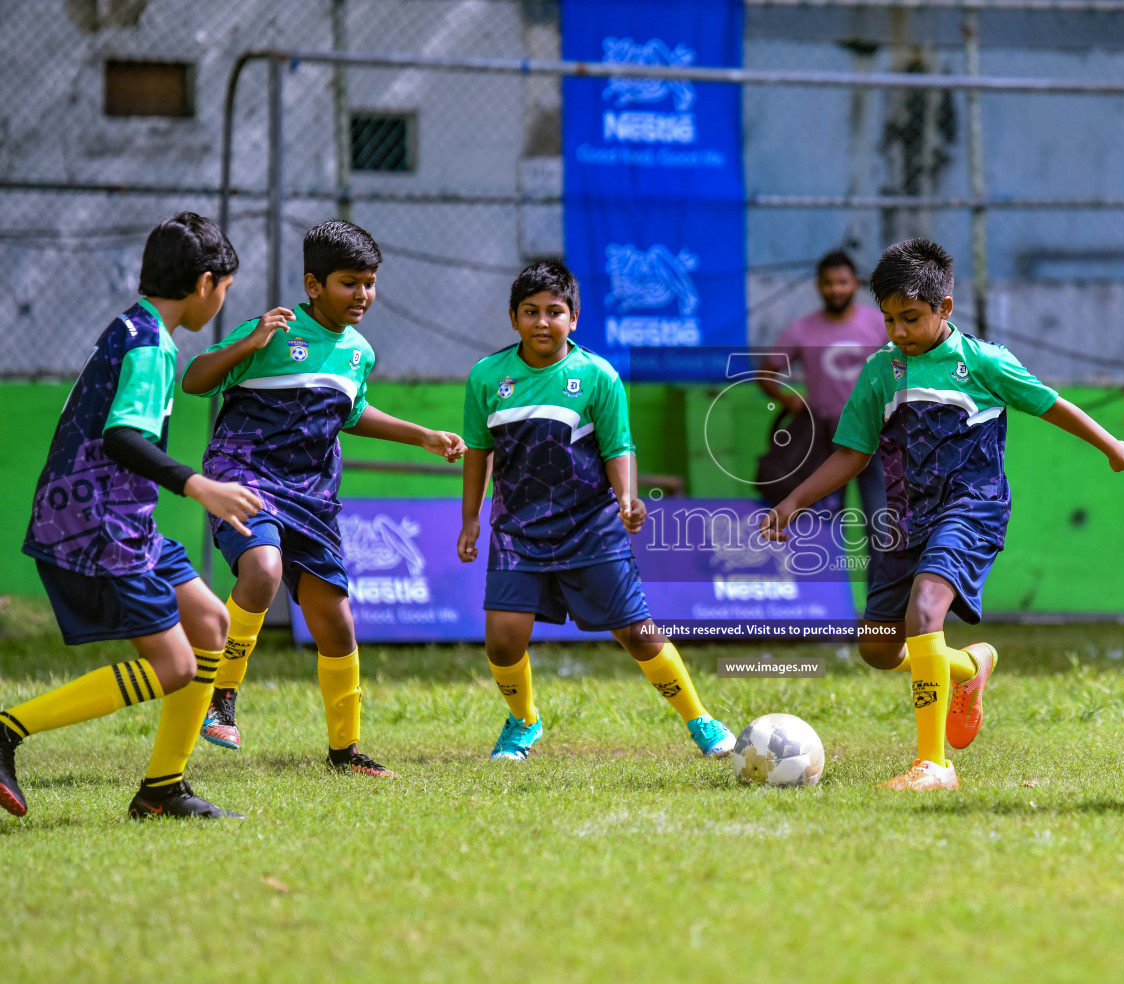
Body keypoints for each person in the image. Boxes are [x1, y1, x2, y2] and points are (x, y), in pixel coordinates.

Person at [760, 239, 1124, 792]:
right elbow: (852, 453)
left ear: (945, 309)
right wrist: (794, 500)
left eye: (911, 318)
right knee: (879, 649)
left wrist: (1111, 445)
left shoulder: (983, 362)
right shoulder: (880, 371)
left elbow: (1052, 404)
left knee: (925, 612)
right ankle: (969, 667)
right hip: (903, 519)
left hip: (971, 508)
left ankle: (932, 764)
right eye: (889, 319)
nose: (899, 331)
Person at [0, 212, 264, 819]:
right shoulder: (150, 346)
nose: (221, 302)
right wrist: (202, 487)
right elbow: (123, 437)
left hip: (125, 517)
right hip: (100, 522)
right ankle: (7, 729)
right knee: (173, 666)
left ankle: (162, 790)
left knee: (209, 626)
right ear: (205, 283)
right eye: (225, 290)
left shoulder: (133, 326)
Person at [182, 220, 466, 777]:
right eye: (348, 283)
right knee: (262, 570)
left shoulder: (359, 351)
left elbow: (353, 413)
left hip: (311, 496)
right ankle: (221, 698)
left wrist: (423, 436)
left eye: (369, 283)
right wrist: (248, 342)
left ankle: (345, 752)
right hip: (245, 478)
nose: (362, 295)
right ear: (313, 285)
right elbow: (195, 380)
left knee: (336, 624)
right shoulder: (274, 330)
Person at [457, 261, 735, 761]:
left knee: (638, 634)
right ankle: (523, 723)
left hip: (590, 526)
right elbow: (478, 450)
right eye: (530, 312)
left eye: (555, 312)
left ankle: (702, 721)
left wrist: (627, 498)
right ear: (513, 318)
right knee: (502, 641)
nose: (543, 322)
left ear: (575, 318)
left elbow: (618, 446)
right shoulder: (485, 376)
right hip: (516, 530)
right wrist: (471, 520)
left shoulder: (596, 374)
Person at [757, 250, 889, 515]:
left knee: (880, 515)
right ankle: (830, 559)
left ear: (855, 283)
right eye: (828, 283)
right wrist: (787, 398)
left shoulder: (880, 325)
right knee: (826, 515)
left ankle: (879, 560)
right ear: (818, 285)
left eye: (842, 282)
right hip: (823, 438)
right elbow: (765, 374)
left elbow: (905, 368)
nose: (835, 290)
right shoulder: (801, 329)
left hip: (874, 433)